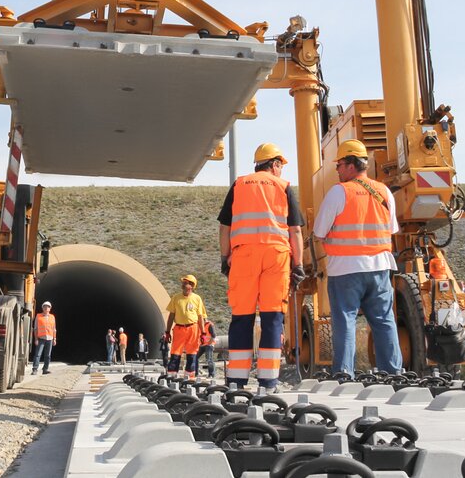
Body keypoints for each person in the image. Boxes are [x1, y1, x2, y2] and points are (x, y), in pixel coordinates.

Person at [218, 142, 305, 391]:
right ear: (275, 164)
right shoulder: (284, 187)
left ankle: (237, 381)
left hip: (244, 256)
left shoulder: (240, 184)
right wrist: (297, 264)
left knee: (242, 317)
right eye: (281, 166)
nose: (281, 171)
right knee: (272, 317)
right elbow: (295, 230)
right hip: (276, 257)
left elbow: (225, 227)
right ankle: (268, 382)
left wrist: (225, 258)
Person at [312, 139, 401, 377]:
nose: (338, 169)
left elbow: (319, 231)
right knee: (384, 320)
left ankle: (344, 373)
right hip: (380, 268)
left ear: (351, 165)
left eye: (339, 164)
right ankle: (393, 372)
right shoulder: (384, 192)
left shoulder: (339, 192)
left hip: (346, 269)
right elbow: (391, 229)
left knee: (345, 321)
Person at [164, 274, 208, 379]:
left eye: (187, 283)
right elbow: (171, 316)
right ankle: (172, 376)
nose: (184, 285)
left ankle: (189, 378)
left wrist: (203, 333)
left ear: (192, 286)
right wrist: (167, 332)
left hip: (193, 329)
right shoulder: (176, 298)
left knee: (192, 354)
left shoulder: (197, 299)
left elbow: (200, 316)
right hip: (179, 329)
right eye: (183, 283)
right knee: (175, 353)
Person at [31, 301, 56, 375]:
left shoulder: (52, 317)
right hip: (41, 338)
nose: (46, 308)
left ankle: (45, 369)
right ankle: (35, 369)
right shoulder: (38, 316)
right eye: (44, 306)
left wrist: (54, 339)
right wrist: (35, 339)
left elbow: (54, 329)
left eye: (48, 307)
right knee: (38, 354)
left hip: (50, 338)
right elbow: (35, 328)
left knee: (48, 355)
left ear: (50, 308)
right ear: (42, 308)